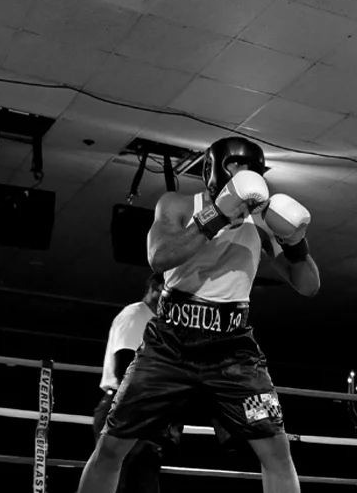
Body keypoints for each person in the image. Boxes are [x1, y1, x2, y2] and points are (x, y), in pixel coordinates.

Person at [77, 136, 321, 493]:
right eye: (236, 168)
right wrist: (218, 215)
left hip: (232, 352)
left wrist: (296, 244)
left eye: (251, 171)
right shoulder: (177, 204)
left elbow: (309, 285)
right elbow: (159, 257)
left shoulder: (261, 220)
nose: (244, 177)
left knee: (276, 451)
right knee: (112, 446)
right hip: (168, 346)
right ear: (213, 169)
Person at [92, 274, 177, 493]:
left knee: (143, 485)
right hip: (127, 409)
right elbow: (125, 369)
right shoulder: (136, 314)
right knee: (115, 483)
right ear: (156, 288)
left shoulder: (161, 325)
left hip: (146, 414)